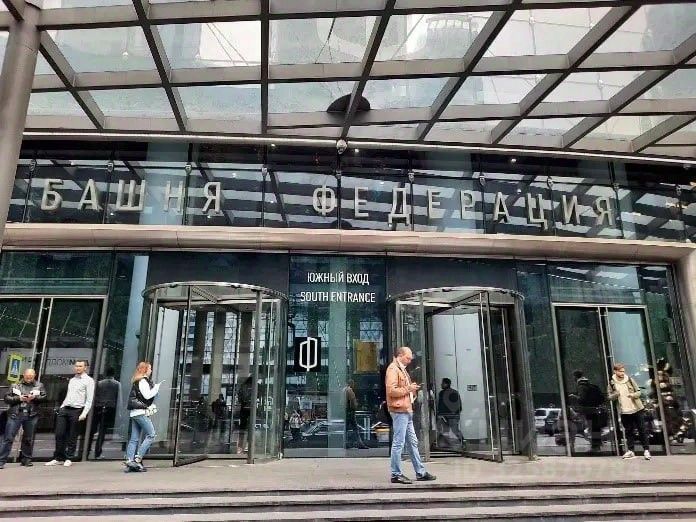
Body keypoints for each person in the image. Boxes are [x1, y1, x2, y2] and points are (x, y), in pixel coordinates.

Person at [385, 346, 436, 485]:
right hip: (400, 410)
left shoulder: (401, 369)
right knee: (399, 443)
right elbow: (391, 391)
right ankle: (396, 474)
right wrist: (409, 388)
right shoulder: (393, 369)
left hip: (405, 410)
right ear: (400, 355)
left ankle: (420, 472)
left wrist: (411, 390)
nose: (410, 360)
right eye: (408, 358)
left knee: (412, 442)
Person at [45, 360, 95, 467]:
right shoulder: (72, 380)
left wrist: (84, 413)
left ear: (85, 368)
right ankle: (58, 457)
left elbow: (89, 399)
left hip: (77, 410)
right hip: (65, 409)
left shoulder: (89, 381)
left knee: (72, 435)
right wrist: (62, 407)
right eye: (76, 366)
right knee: (59, 434)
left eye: (80, 366)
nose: (78, 368)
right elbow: (68, 395)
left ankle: (69, 457)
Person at [0, 369, 46, 469]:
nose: (29, 377)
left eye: (31, 375)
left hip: (31, 415)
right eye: (27, 375)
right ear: (24, 375)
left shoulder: (39, 385)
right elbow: (7, 398)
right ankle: (1, 461)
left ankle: (26, 460)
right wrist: (19, 398)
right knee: (8, 438)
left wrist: (34, 398)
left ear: (34, 375)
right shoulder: (15, 385)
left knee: (28, 438)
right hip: (16, 414)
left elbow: (44, 397)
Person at [608, 362, 651, 460]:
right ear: (615, 371)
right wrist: (616, 394)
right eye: (620, 371)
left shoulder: (629, 379)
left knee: (642, 430)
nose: (622, 373)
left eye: (623, 371)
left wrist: (633, 395)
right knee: (628, 431)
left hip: (636, 409)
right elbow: (609, 397)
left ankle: (646, 450)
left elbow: (639, 392)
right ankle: (631, 451)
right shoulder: (612, 383)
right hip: (624, 411)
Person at [125, 361, 161, 472]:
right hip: (140, 412)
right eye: (149, 368)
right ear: (145, 370)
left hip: (135, 412)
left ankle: (129, 461)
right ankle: (138, 458)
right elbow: (147, 395)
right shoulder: (143, 381)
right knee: (151, 434)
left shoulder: (137, 381)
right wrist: (156, 388)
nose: (151, 370)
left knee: (134, 439)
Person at [571, 370, 607, 452]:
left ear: (575, 377)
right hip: (594, 409)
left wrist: (574, 396)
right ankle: (597, 445)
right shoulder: (589, 384)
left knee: (592, 428)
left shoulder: (581, 386)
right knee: (595, 427)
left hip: (588, 410)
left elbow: (582, 399)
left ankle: (595, 446)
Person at [90, 367, 121, 459]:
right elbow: (119, 399)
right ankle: (98, 452)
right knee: (103, 430)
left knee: (93, 429)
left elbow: (94, 396)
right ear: (114, 374)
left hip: (98, 407)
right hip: (110, 408)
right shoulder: (117, 384)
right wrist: (119, 411)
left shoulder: (99, 383)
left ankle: (87, 450)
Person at [437, 378, 463, 449]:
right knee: (454, 430)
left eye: (442, 383)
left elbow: (441, 405)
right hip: (452, 415)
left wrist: (440, 413)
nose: (441, 385)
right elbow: (459, 405)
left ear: (446, 384)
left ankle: (456, 443)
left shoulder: (442, 393)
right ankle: (460, 442)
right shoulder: (454, 392)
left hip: (447, 415)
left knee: (448, 430)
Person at [344, 379, 368, 449]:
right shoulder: (350, 390)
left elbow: (341, 402)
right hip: (350, 412)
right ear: (351, 383)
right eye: (353, 384)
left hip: (346, 412)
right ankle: (359, 443)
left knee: (346, 429)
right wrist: (354, 407)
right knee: (355, 429)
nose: (354, 385)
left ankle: (346, 443)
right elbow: (353, 401)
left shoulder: (343, 390)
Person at [236, 376, 253, 454]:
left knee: (242, 429)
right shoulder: (252, 388)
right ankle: (247, 446)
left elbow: (239, 398)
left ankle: (240, 447)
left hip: (244, 409)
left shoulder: (243, 387)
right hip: (250, 409)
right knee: (249, 429)